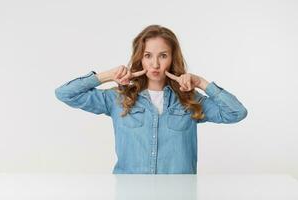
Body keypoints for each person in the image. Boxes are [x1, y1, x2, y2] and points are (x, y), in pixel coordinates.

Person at [55, 24, 248, 174]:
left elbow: (236, 113)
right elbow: (65, 93)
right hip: (129, 193)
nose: (155, 63)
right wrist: (108, 75)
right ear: (140, 58)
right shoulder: (118, 98)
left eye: (163, 56)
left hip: (179, 194)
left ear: (172, 59)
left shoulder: (189, 100)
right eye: (148, 55)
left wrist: (201, 82)